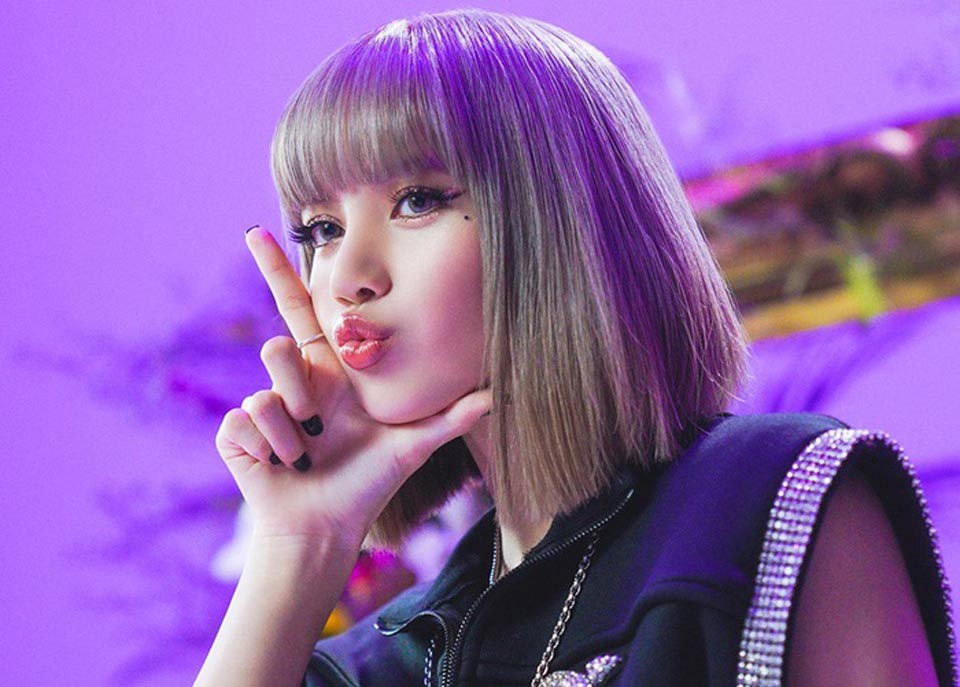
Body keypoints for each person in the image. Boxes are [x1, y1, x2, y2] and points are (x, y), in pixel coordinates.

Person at [195, 9, 956, 686]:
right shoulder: (376, 664)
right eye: (322, 230)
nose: (347, 277)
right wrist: (300, 544)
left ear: (558, 218)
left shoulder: (771, 495)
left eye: (417, 201)